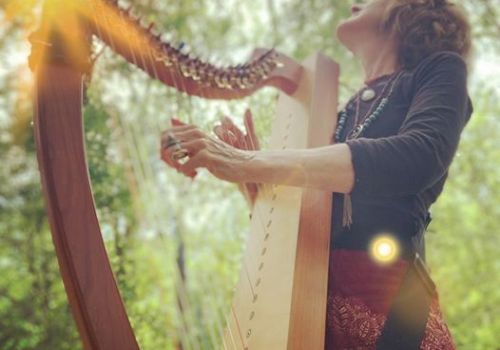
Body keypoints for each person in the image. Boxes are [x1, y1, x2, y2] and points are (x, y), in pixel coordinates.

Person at [160, 0, 473, 348]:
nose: (354, 3)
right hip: (314, 305)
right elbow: (311, 219)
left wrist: (245, 161)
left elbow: (419, 156)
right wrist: (255, 189)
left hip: (389, 312)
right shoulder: (339, 114)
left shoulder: (440, 70)